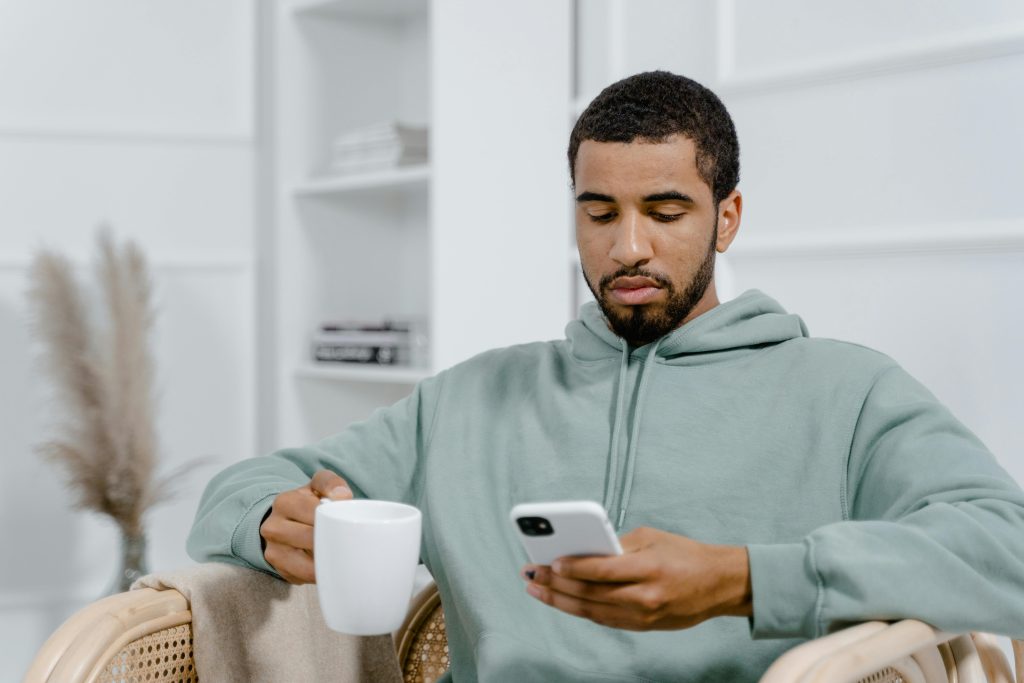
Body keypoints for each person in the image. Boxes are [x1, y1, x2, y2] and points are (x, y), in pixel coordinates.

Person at [187, 71, 1024, 682]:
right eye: (598, 213)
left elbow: (1007, 546)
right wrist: (268, 520)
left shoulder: (846, 392)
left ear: (726, 217)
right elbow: (250, 484)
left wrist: (743, 577)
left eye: (664, 212)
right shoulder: (472, 398)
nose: (627, 247)